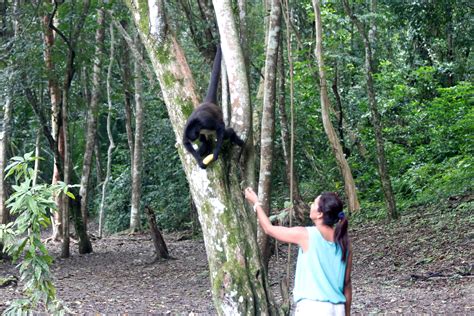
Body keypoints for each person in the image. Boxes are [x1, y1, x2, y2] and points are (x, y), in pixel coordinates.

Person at [244, 187, 352, 316]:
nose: (310, 205)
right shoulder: (345, 244)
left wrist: (256, 203)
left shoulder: (306, 235)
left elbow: (269, 229)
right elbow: (347, 284)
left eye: (314, 203)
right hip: (338, 309)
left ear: (320, 214)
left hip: (313, 308)